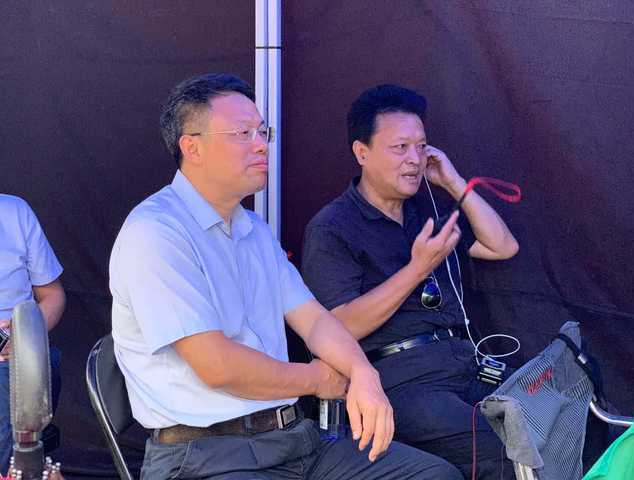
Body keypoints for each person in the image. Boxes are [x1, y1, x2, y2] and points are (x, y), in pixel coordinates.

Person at [109, 73, 463, 480]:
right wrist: (316, 379)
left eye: (262, 131)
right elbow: (217, 365)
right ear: (193, 147)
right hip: (205, 456)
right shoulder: (156, 232)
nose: (261, 144)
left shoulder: (254, 230)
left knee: (434, 475)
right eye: (242, 133)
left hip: (292, 441)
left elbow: (313, 320)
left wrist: (363, 373)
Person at [301, 84, 520, 480]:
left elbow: (501, 246)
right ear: (362, 152)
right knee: (501, 448)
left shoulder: (425, 208)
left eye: (421, 147)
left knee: (544, 420)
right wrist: (417, 269)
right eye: (400, 148)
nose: (414, 160)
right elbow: (337, 326)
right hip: (400, 379)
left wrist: (454, 182)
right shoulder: (332, 227)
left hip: (462, 362)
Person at [0, 194, 65, 473]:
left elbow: (53, 296)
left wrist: (25, 334)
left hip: (13, 362)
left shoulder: (14, 211)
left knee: (21, 380)